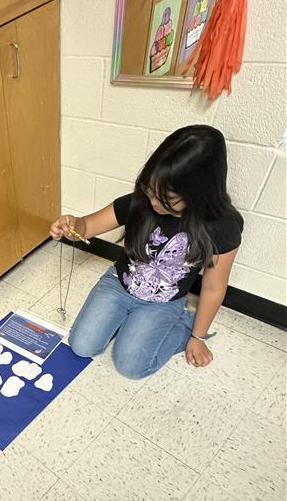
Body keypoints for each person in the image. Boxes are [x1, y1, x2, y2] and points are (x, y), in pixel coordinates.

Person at [51, 125, 243, 379]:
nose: (153, 202)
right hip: (118, 286)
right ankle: (128, 321)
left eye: (166, 199)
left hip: (164, 301)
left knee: (131, 366)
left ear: (199, 194)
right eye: (150, 190)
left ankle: (182, 324)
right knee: (82, 346)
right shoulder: (140, 202)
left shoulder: (222, 226)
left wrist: (197, 336)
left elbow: (213, 288)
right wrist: (71, 225)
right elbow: (86, 226)